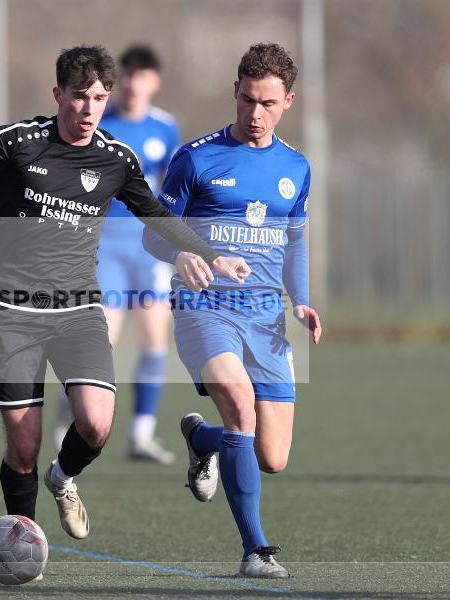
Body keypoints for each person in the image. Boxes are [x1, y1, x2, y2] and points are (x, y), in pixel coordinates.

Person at [0, 45, 249, 541]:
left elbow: (156, 214)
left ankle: (63, 477)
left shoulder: (116, 158)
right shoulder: (21, 141)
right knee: (23, 446)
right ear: (58, 94)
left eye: (99, 98)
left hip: (78, 308)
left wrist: (209, 255)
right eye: (79, 96)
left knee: (96, 424)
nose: (89, 109)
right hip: (9, 309)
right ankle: (23, 540)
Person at [143, 43, 322, 578]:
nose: (255, 113)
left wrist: (302, 299)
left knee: (273, 457)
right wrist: (184, 255)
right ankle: (255, 551)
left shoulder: (296, 167)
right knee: (240, 406)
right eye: (247, 100)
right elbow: (154, 235)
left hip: (267, 318)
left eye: (268, 103)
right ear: (235, 92)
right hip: (205, 308)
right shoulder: (196, 159)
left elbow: (295, 243)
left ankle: (202, 438)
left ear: (288, 101)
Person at [53, 45, 181, 464]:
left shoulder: (166, 128)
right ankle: (70, 412)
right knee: (102, 339)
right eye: (126, 76)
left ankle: (141, 434)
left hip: (149, 247)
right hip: (105, 245)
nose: (132, 84)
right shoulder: (99, 123)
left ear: (154, 82)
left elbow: (171, 188)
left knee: (155, 336)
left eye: (141, 76)